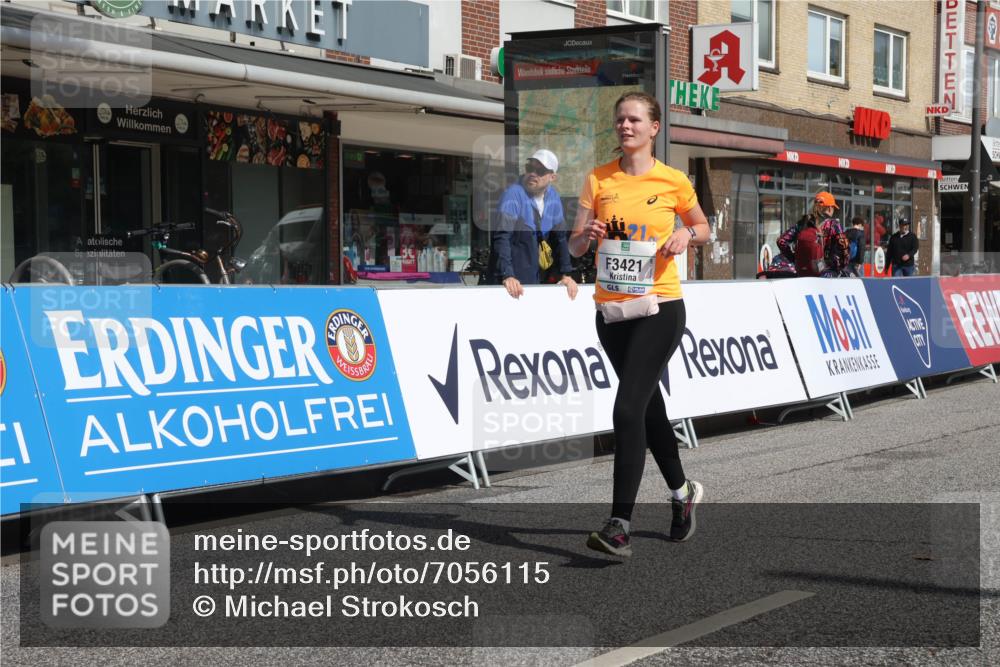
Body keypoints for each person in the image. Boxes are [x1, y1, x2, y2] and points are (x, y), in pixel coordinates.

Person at [569, 91, 709, 557]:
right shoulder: (598, 178)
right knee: (649, 410)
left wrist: (685, 233)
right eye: (620, 120)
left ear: (654, 127)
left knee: (627, 409)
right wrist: (585, 237)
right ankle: (682, 493)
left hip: (659, 307)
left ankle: (619, 525)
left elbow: (704, 228)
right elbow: (574, 245)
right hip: (611, 314)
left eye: (634, 119)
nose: (625, 126)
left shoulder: (672, 180)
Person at [490, 149, 578, 300]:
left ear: (552, 177)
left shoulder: (553, 196)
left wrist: (566, 274)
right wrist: (507, 275)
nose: (532, 173)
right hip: (511, 282)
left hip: (537, 279)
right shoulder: (513, 194)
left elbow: (560, 238)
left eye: (540, 170)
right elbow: (502, 237)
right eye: (529, 168)